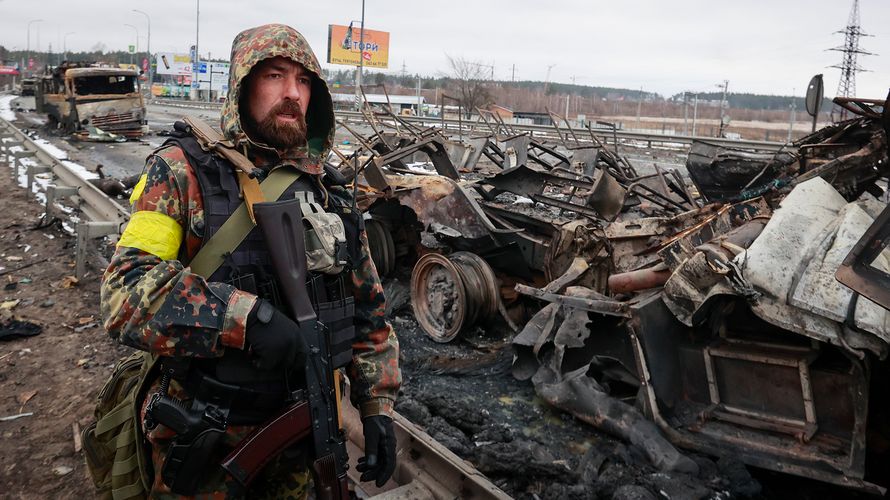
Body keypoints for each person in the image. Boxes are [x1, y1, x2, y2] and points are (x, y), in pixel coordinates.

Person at [100, 24, 400, 498]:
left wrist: (377, 406)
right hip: (210, 437)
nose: (291, 94)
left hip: (305, 434)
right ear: (242, 83)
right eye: (275, 76)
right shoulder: (181, 171)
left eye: (304, 81)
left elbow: (368, 311)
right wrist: (245, 318)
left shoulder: (331, 194)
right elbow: (125, 293)